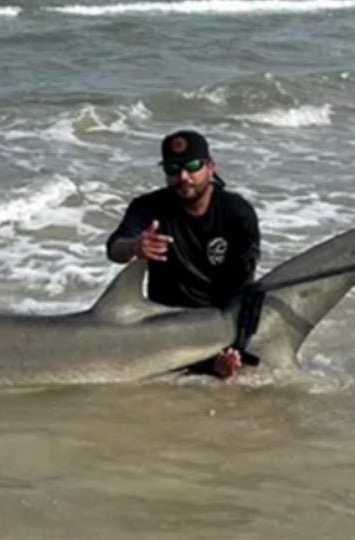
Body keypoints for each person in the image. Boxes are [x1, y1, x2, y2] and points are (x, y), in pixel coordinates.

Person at [106, 130, 260, 379]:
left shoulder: (236, 213)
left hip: (216, 323)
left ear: (210, 167)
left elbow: (245, 286)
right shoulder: (148, 207)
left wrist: (233, 347)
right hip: (164, 324)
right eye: (173, 168)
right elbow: (114, 248)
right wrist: (135, 246)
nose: (183, 177)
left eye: (192, 166)